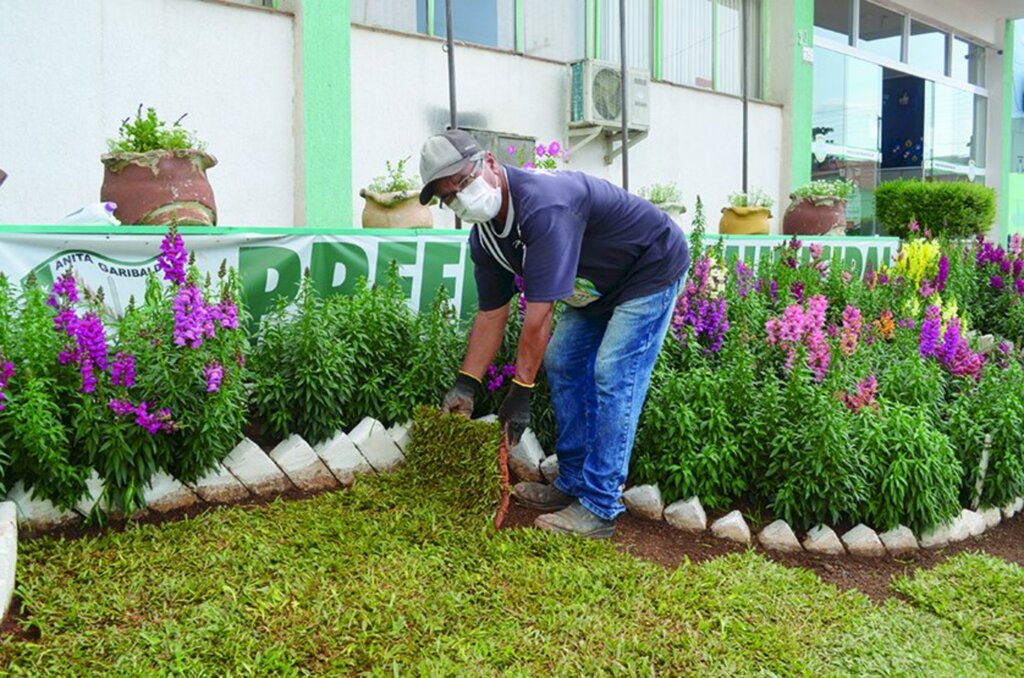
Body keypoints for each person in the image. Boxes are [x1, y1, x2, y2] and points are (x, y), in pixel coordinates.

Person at [420, 129, 689, 539]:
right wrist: (466, 384)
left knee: (614, 373)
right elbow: (492, 314)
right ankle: (573, 484)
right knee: (563, 359)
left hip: (647, 268)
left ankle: (599, 506)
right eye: (449, 196)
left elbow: (539, 316)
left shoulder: (544, 207)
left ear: (490, 163)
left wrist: (521, 391)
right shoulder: (486, 239)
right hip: (596, 288)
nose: (460, 197)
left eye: (463, 181)